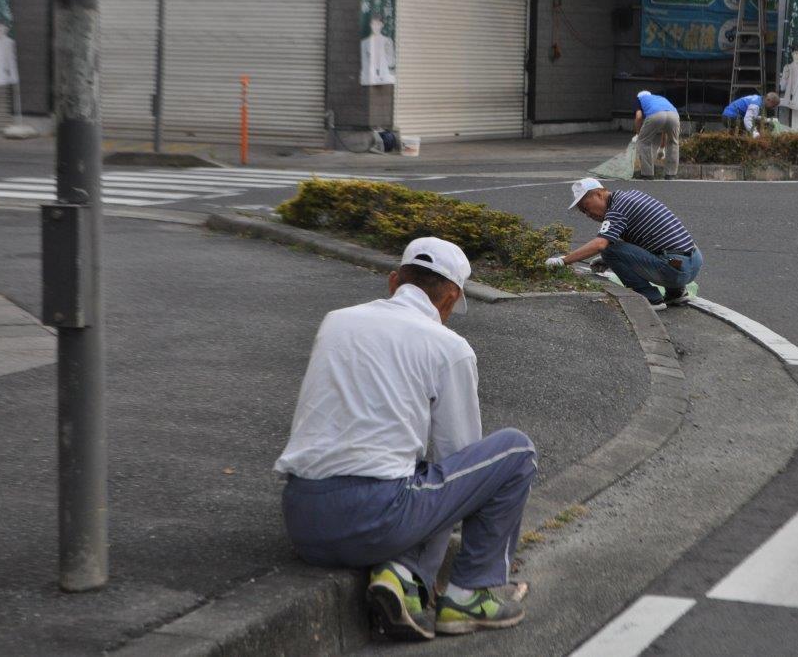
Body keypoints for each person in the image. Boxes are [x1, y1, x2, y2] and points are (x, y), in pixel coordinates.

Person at [275, 237, 536, 641]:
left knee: (415, 472)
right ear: (450, 296)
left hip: (303, 518)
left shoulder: (336, 321)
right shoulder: (449, 346)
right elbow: (460, 458)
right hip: (375, 519)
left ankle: (402, 578)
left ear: (394, 280)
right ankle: (468, 593)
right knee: (515, 451)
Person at [546, 178, 701, 311]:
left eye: (586, 207)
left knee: (609, 249)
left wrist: (563, 260)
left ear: (599, 194)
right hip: (693, 261)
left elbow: (600, 244)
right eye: (583, 212)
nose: (588, 214)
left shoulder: (616, 210)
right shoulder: (631, 196)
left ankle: (651, 298)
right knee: (648, 243)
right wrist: (607, 261)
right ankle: (676, 293)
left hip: (674, 270)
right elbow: (645, 239)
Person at [632, 90, 681, 180]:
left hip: (655, 115)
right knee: (673, 143)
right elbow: (665, 127)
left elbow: (638, 117)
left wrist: (639, 134)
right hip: (674, 115)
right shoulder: (659, 98)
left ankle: (647, 174)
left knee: (644, 142)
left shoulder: (639, 99)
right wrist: (662, 146)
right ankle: (671, 174)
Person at [360, 14, 396, 86]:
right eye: (374, 24)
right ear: (371, 25)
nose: (376, 27)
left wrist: (387, 51)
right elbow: (364, 64)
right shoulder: (364, 43)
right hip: (369, 77)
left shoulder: (388, 41)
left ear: (382, 25)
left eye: (378, 24)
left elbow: (391, 63)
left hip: (385, 77)